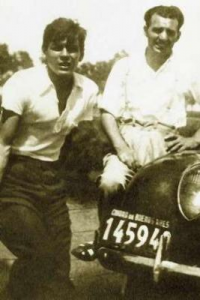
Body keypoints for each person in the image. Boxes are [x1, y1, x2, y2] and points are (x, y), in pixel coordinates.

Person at [72, 5, 200, 261]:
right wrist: (121, 148)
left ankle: (179, 253)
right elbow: (108, 112)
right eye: (157, 29)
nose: (163, 37)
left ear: (178, 36)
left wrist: (192, 139)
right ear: (146, 30)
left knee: (180, 198)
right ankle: (104, 240)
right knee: (111, 183)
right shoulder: (125, 65)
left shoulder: (186, 70)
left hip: (166, 146)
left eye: (170, 32)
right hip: (127, 139)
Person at [0, 18, 98, 300]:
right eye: (58, 48)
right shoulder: (23, 83)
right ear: (45, 50)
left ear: (81, 53)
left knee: (59, 271)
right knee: (38, 254)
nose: (65, 55)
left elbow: (74, 140)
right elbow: (3, 144)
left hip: (51, 182)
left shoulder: (87, 90)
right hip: (15, 180)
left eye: (73, 49)